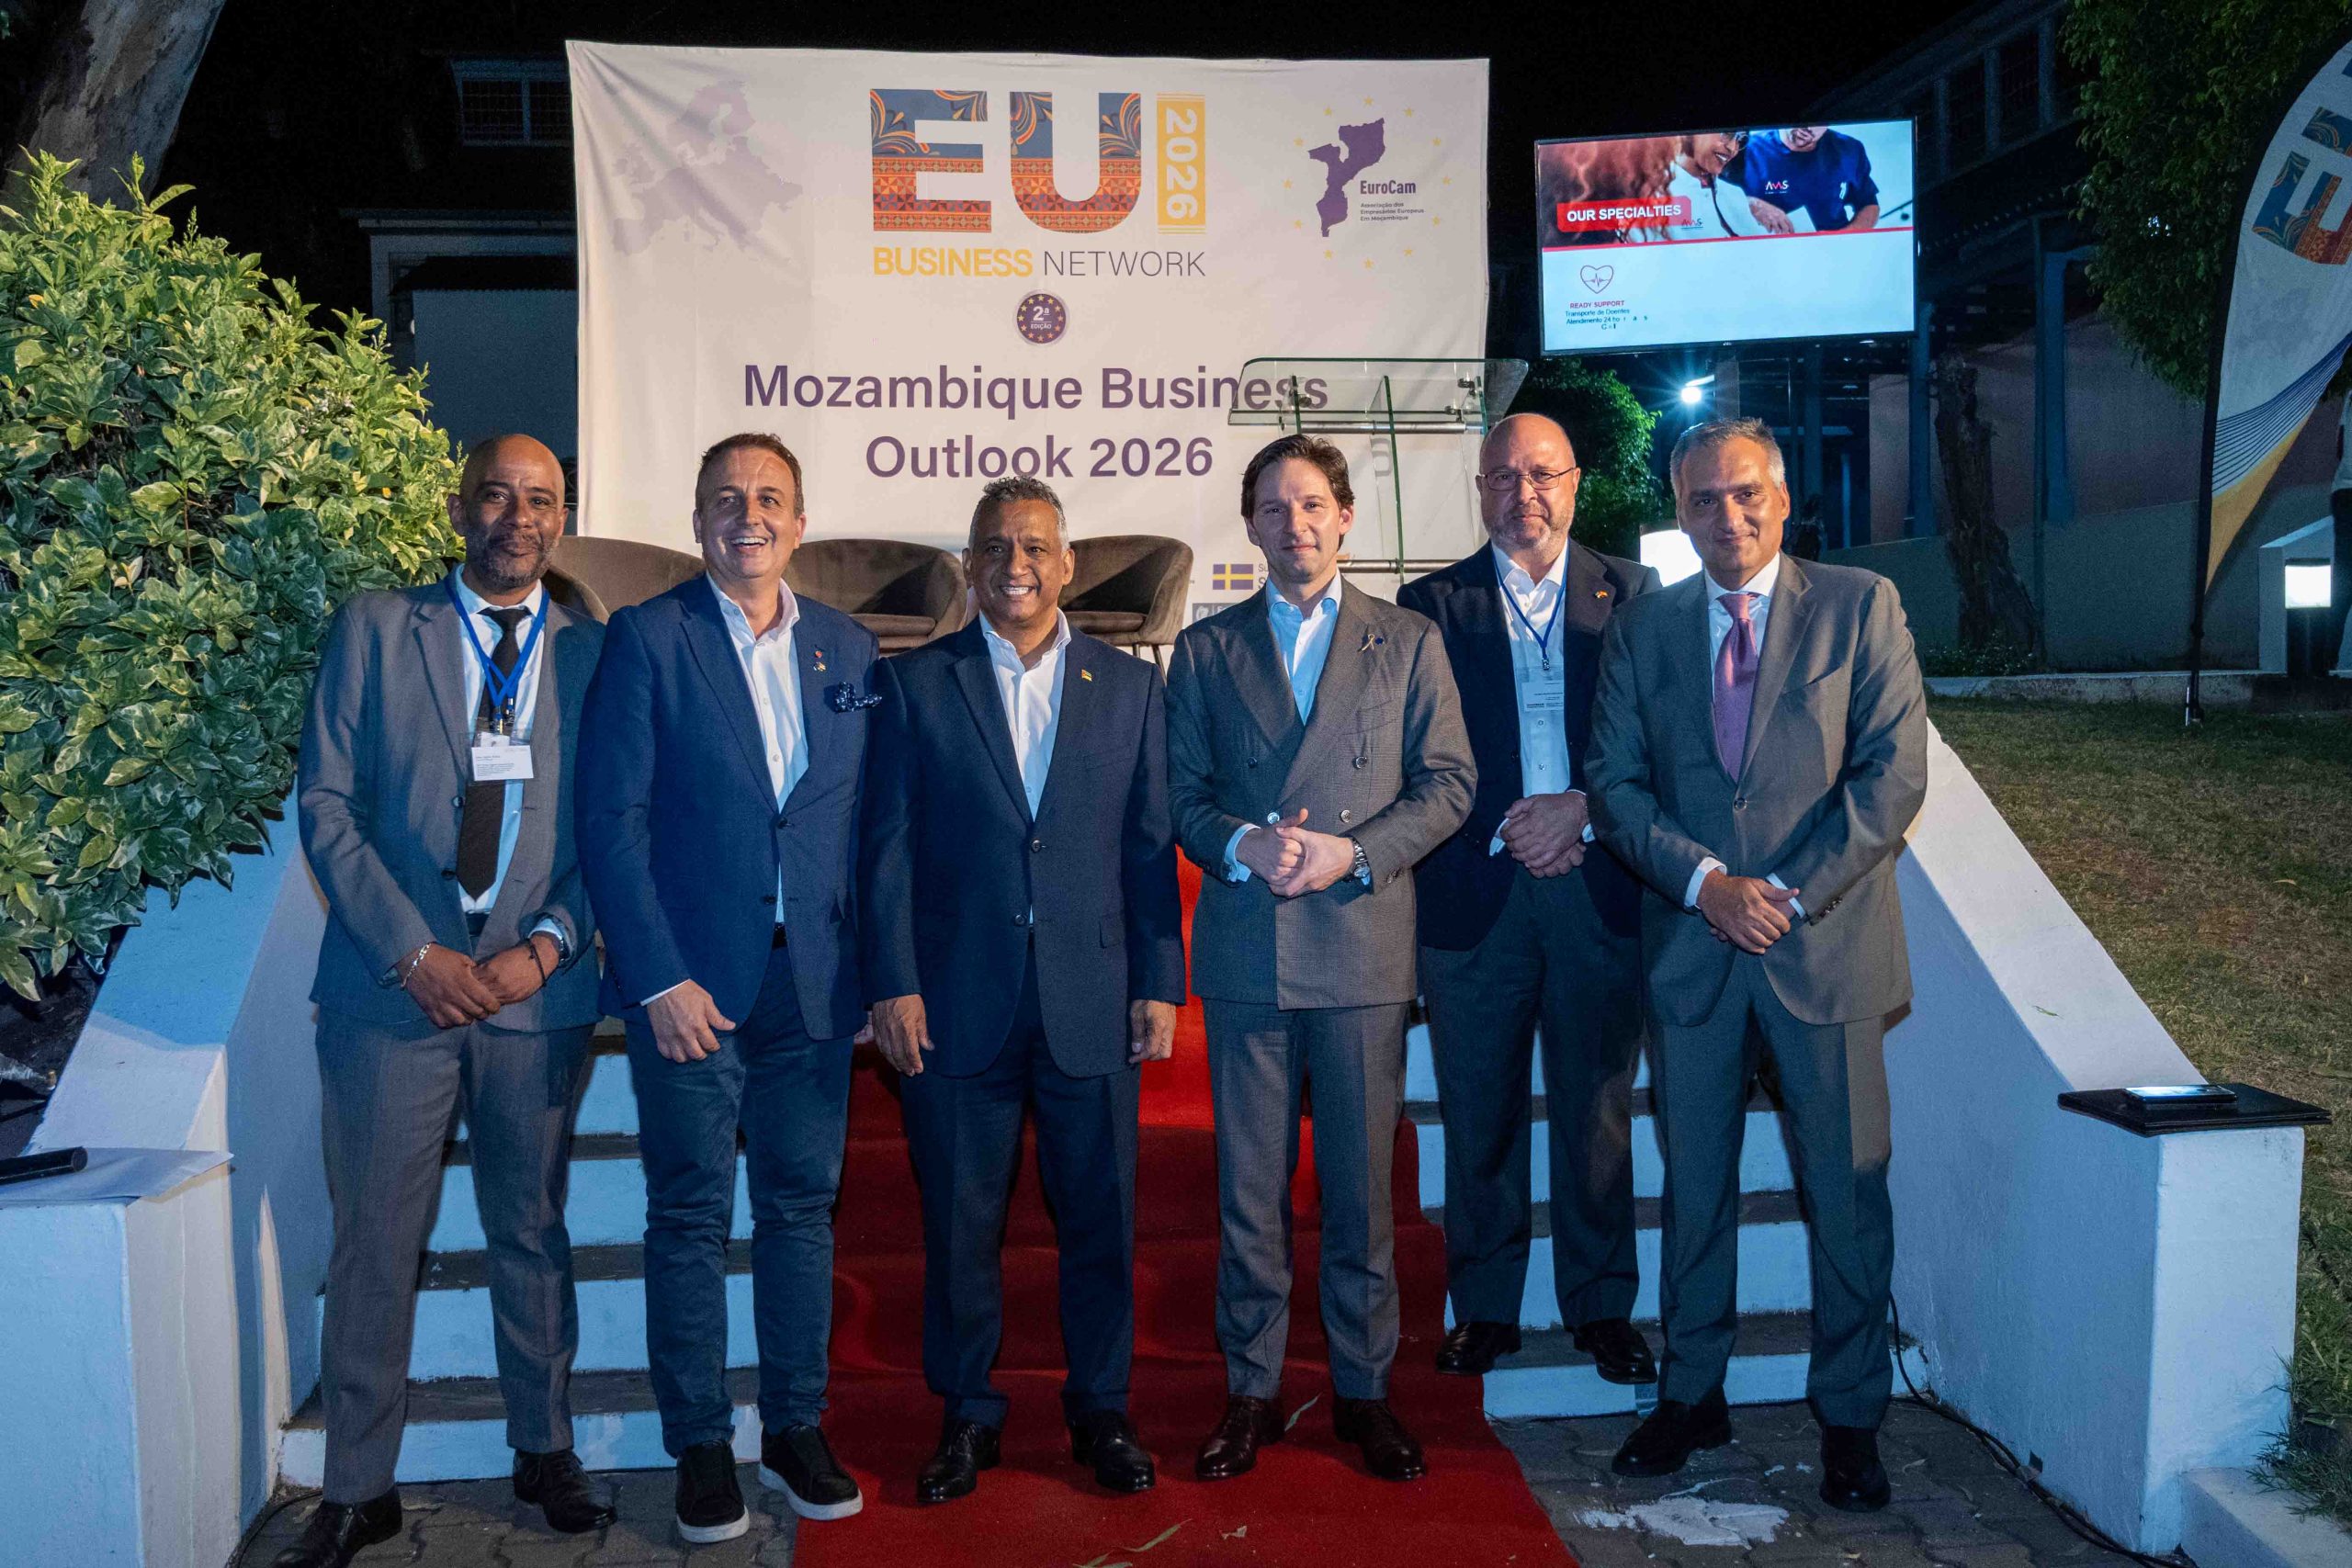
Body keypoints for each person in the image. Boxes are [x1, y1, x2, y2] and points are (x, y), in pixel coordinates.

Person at [1585, 417, 1927, 1514]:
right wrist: (1706, 886)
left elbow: (1890, 777)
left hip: (1824, 949)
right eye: (1702, 499)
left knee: (1846, 1193)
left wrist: (1778, 894)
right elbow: (1614, 786)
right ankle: (1691, 1394)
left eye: (1744, 495)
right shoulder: (1645, 627)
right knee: (1695, 1190)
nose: (1725, 516)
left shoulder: (1860, 606)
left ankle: (1851, 1418)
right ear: (1679, 512)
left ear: (1781, 499)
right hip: (1692, 952)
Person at [286, 434, 612, 1568]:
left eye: (541, 500)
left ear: (562, 520)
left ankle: (544, 1448)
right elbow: (326, 805)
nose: (519, 517)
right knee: (376, 1242)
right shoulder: (378, 628)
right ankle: (358, 1488)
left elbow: (617, 825)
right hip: (394, 995)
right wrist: (414, 952)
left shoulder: (596, 653)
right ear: (459, 508)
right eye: (497, 496)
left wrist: (550, 947)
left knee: (531, 1230)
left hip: (533, 995)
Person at [575, 433, 881, 1542]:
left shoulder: (848, 646)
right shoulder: (646, 638)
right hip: (691, 991)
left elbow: (867, 824)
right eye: (726, 499)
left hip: (816, 987)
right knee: (690, 1214)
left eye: (768, 498)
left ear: (799, 522)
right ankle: (700, 1443)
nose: (747, 516)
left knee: (799, 1211)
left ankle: (795, 1427)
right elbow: (611, 821)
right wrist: (655, 976)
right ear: (698, 519)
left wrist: (874, 975)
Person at [862, 476, 1186, 1505]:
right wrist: (892, 983)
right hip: (957, 1000)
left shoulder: (1130, 688)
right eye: (996, 548)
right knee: (961, 1227)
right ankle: (968, 1412)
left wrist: (1160, 979)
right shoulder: (915, 686)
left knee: (1101, 1220)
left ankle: (1102, 1409)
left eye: (1036, 547)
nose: (1017, 566)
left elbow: (1148, 845)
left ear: (1068, 565)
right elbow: (885, 851)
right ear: (969, 565)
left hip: (1094, 994)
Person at [1165, 434, 1475, 1484]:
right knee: (1248, 1196)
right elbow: (1179, 795)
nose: (1292, 524)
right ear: (1249, 526)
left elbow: (1448, 783)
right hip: (1249, 950)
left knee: (1359, 1197)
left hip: (1359, 944)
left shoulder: (1408, 639)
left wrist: (1355, 852)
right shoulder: (1205, 650)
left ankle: (1363, 1391)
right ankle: (1250, 1390)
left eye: (1309, 505)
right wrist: (1238, 844)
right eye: (1271, 508)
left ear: (1344, 516)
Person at [1396, 413, 1660, 1385]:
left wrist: (1582, 811)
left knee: (1597, 1109)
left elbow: (1659, 740)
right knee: (1479, 1111)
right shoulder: (1429, 604)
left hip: (1599, 884)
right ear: (1480, 490)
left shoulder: (1635, 594)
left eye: (1542, 474)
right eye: (1503, 477)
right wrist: (1514, 825)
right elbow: (1419, 754)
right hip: (1477, 889)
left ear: (1575, 483)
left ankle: (1602, 1306)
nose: (1524, 495)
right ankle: (1486, 1308)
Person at [1731, 127, 1882, 235]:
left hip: (1832, 252)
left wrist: (1841, 239)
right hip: (1767, 252)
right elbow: (1719, 195)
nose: (1808, 128)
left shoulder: (1849, 149)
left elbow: (1869, 204)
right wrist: (1751, 203)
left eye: (1818, 122)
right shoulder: (1746, 150)